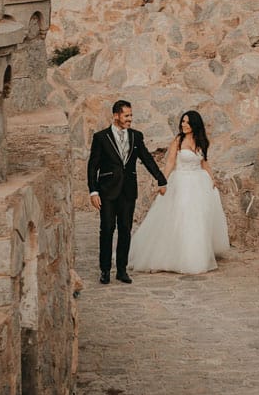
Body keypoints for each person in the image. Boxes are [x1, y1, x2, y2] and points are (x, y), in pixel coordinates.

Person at [128, 110, 230, 274]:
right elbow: (170, 162)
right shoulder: (178, 140)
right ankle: (179, 255)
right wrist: (163, 181)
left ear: (194, 124)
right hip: (181, 182)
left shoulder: (202, 141)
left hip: (199, 182)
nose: (183, 125)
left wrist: (212, 179)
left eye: (187, 122)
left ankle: (197, 256)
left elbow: (204, 163)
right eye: (183, 121)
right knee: (182, 216)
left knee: (199, 218)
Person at [87, 100, 167, 284]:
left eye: (131, 115)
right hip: (107, 191)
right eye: (126, 115)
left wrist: (160, 178)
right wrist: (93, 191)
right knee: (106, 229)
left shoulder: (136, 136)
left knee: (125, 230)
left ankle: (121, 270)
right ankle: (105, 270)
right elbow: (93, 166)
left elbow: (147, 159)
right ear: (116, 116)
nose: (130, 119)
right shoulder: (101, 137)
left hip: (128, 191)